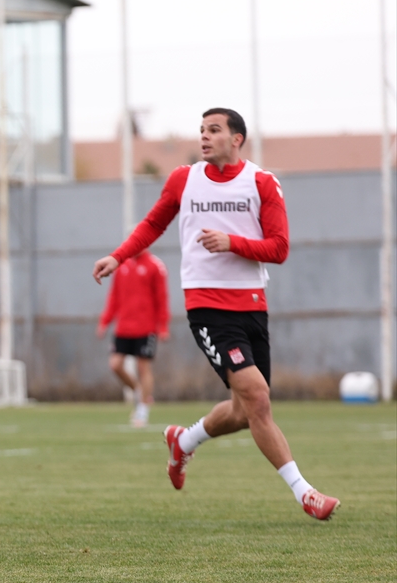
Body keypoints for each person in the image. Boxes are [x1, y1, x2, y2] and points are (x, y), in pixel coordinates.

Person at [92, 108, 339, 520]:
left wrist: (233, 242)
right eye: (201, 130)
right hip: (207, 307)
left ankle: (183, 442)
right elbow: (153, 224)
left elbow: (279, 248)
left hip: (253, 306)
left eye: (214, 130)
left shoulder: (261, 182)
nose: (204, 137)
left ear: (236, 138)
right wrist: (119, 257)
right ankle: (305, 493)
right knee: (258, 399)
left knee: (245, 412)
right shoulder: (182, 179)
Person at [96, 251, 169, 427]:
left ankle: (142, 411)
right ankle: (140, 392)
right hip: (124, 327)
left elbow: (162, 297)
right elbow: (114, 296)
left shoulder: (155, 266)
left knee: (143, 367)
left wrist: (163, 326)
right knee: (115, 365)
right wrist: (105, 321)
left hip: (146, 328)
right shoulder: (121, 265)